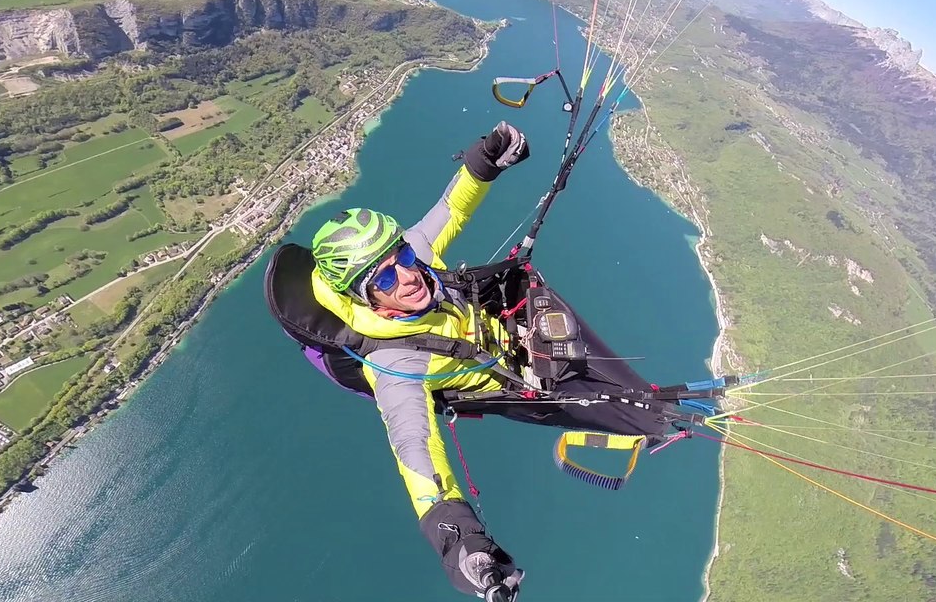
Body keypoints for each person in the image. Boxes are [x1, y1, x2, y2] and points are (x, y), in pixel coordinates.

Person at [290, 122, 677, 600]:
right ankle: (658, 418)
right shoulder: (393, 367)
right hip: (502, 377)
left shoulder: (413, 263)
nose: (408, 277)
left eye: (403, 258)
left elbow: (450, 210)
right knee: (637, 408)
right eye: (385, 281)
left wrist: (485, 160)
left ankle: (654, 414)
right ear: (366, 300)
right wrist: (459, 542)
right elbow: (415, 452)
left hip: (496, 330)